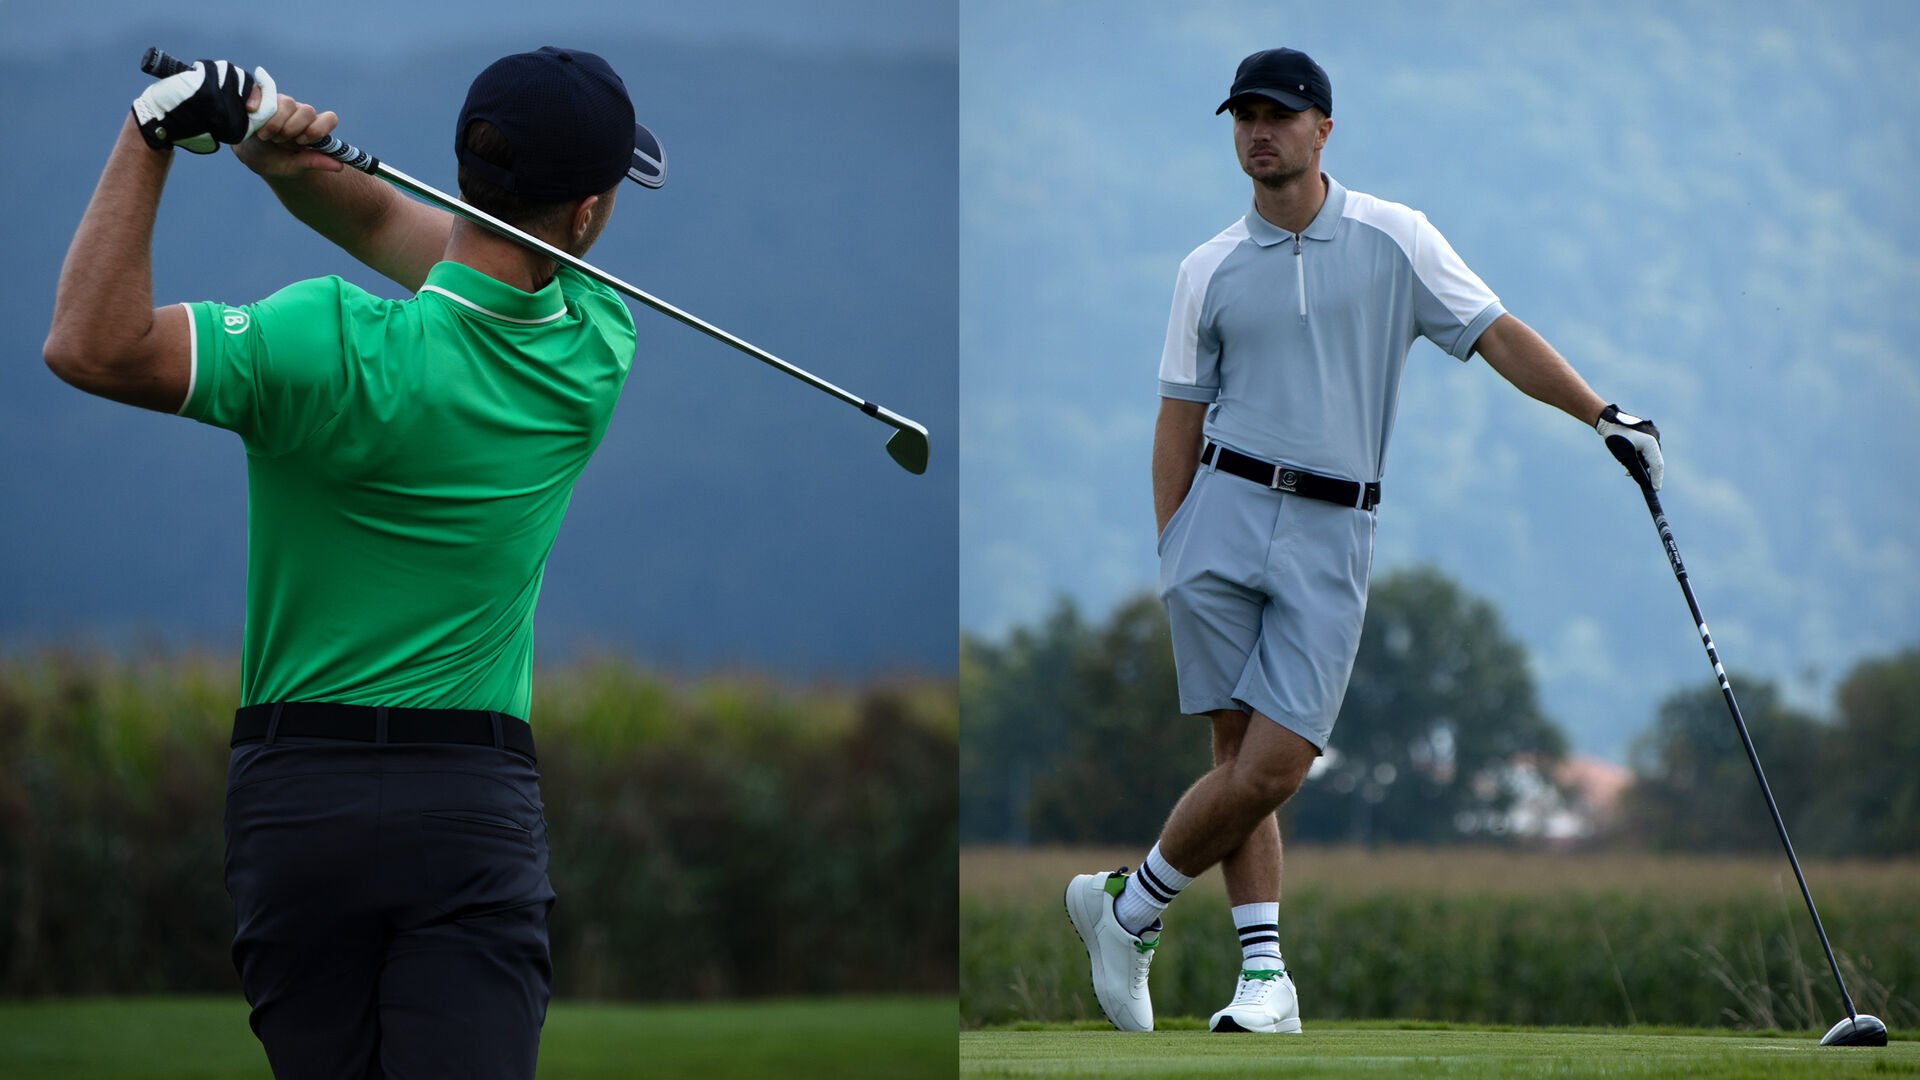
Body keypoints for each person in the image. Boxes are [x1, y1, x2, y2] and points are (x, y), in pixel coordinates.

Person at [43, 47, 665, 1078]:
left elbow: (88, 343)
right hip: (472, 804)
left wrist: (158, 132)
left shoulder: (320, 341)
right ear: (589, 215)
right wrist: (287, 165)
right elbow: (419, 243)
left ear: (469, 166)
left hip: (298, 802)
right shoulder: (595, 351)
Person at [1064, 47, 1665, 1035]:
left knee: (1273, 768)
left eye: (1278, 114)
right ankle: (1265, 981)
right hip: (1220, 513)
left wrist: (1601, 415)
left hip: (1335, 525)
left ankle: (1127, 909)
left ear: (1322, 129)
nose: (1259, 132)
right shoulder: (1204, 268)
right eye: (1244, 116)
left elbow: (1498, 333)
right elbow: (1177, 419)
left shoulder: (1398, 238)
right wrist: (1174, 547)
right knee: (1233, 754)